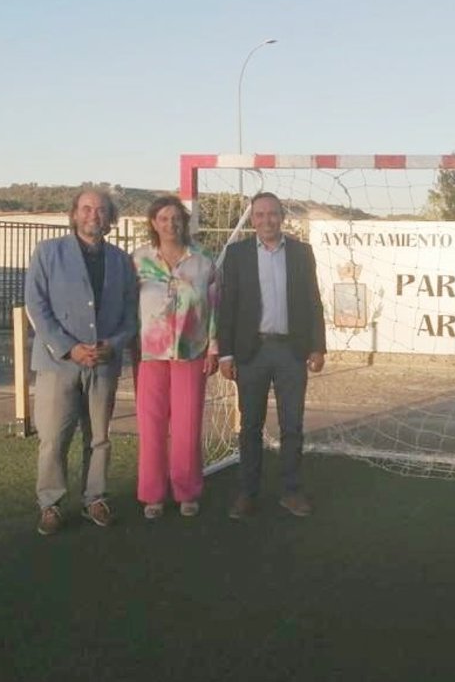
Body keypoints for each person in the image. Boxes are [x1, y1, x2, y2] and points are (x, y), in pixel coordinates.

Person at [25, 187, 137, 536]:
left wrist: (113, 345)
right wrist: (69, 348)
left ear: (110, 218)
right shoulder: (48, 252)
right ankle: (50, 503)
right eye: (87, 208)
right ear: (74, 214)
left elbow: (131, 314)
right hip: (58, 363)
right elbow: (36, 306)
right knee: (53, 438)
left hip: (103, 363)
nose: (93, 215)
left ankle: (95, 499)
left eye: (101, 210)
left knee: (99, 437)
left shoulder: (121, 260)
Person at [218, 192, 326, 519]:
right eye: (260, 214)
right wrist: (225, 354)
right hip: (251, 352)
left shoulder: (301, 252)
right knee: (250, 425)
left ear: (282, 217)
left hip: (291, 351)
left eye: (273, 214)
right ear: (252, 219)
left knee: (292, 426)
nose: (267, 220)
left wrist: (318, 346)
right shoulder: (236, 254)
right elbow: (227, 306)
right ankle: (248, 493)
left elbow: (313, 301)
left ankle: (291, 492)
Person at [132, 195, 219, 520]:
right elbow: (128, 304)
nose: (170, 224)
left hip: (191, 352)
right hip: (150, 354)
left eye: (176, 218)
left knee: (187, 425)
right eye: (163, 219)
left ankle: (187, 491)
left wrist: (213, 347)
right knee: (151, 425)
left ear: (184, 222)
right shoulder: (138, 259)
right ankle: (152, 494)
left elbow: (215, 307)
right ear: (154, 223)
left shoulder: (204, 261)